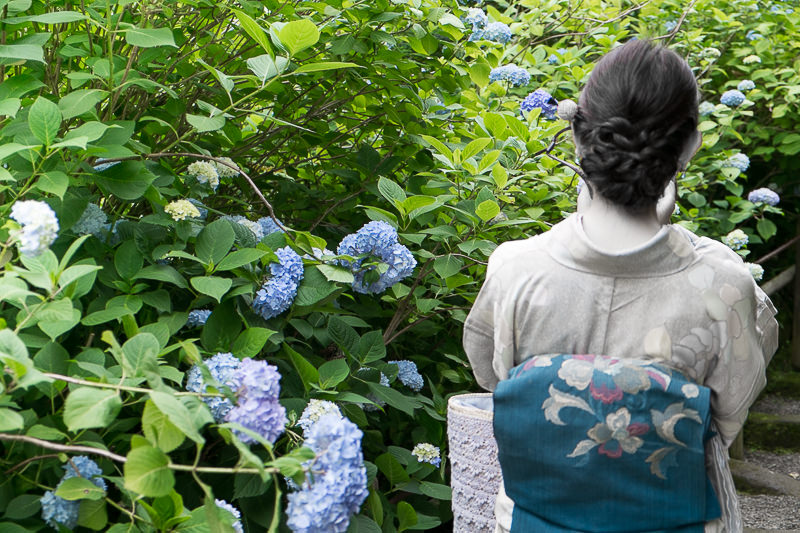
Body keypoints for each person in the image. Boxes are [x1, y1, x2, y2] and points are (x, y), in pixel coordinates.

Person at [462, 40, 778, 533]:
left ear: (577, 135)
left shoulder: (516, 269)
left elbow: (494, 379)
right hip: (675, 521)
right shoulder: (723, 283)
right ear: (690, 145)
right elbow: (730, 414)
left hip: (535, 521)